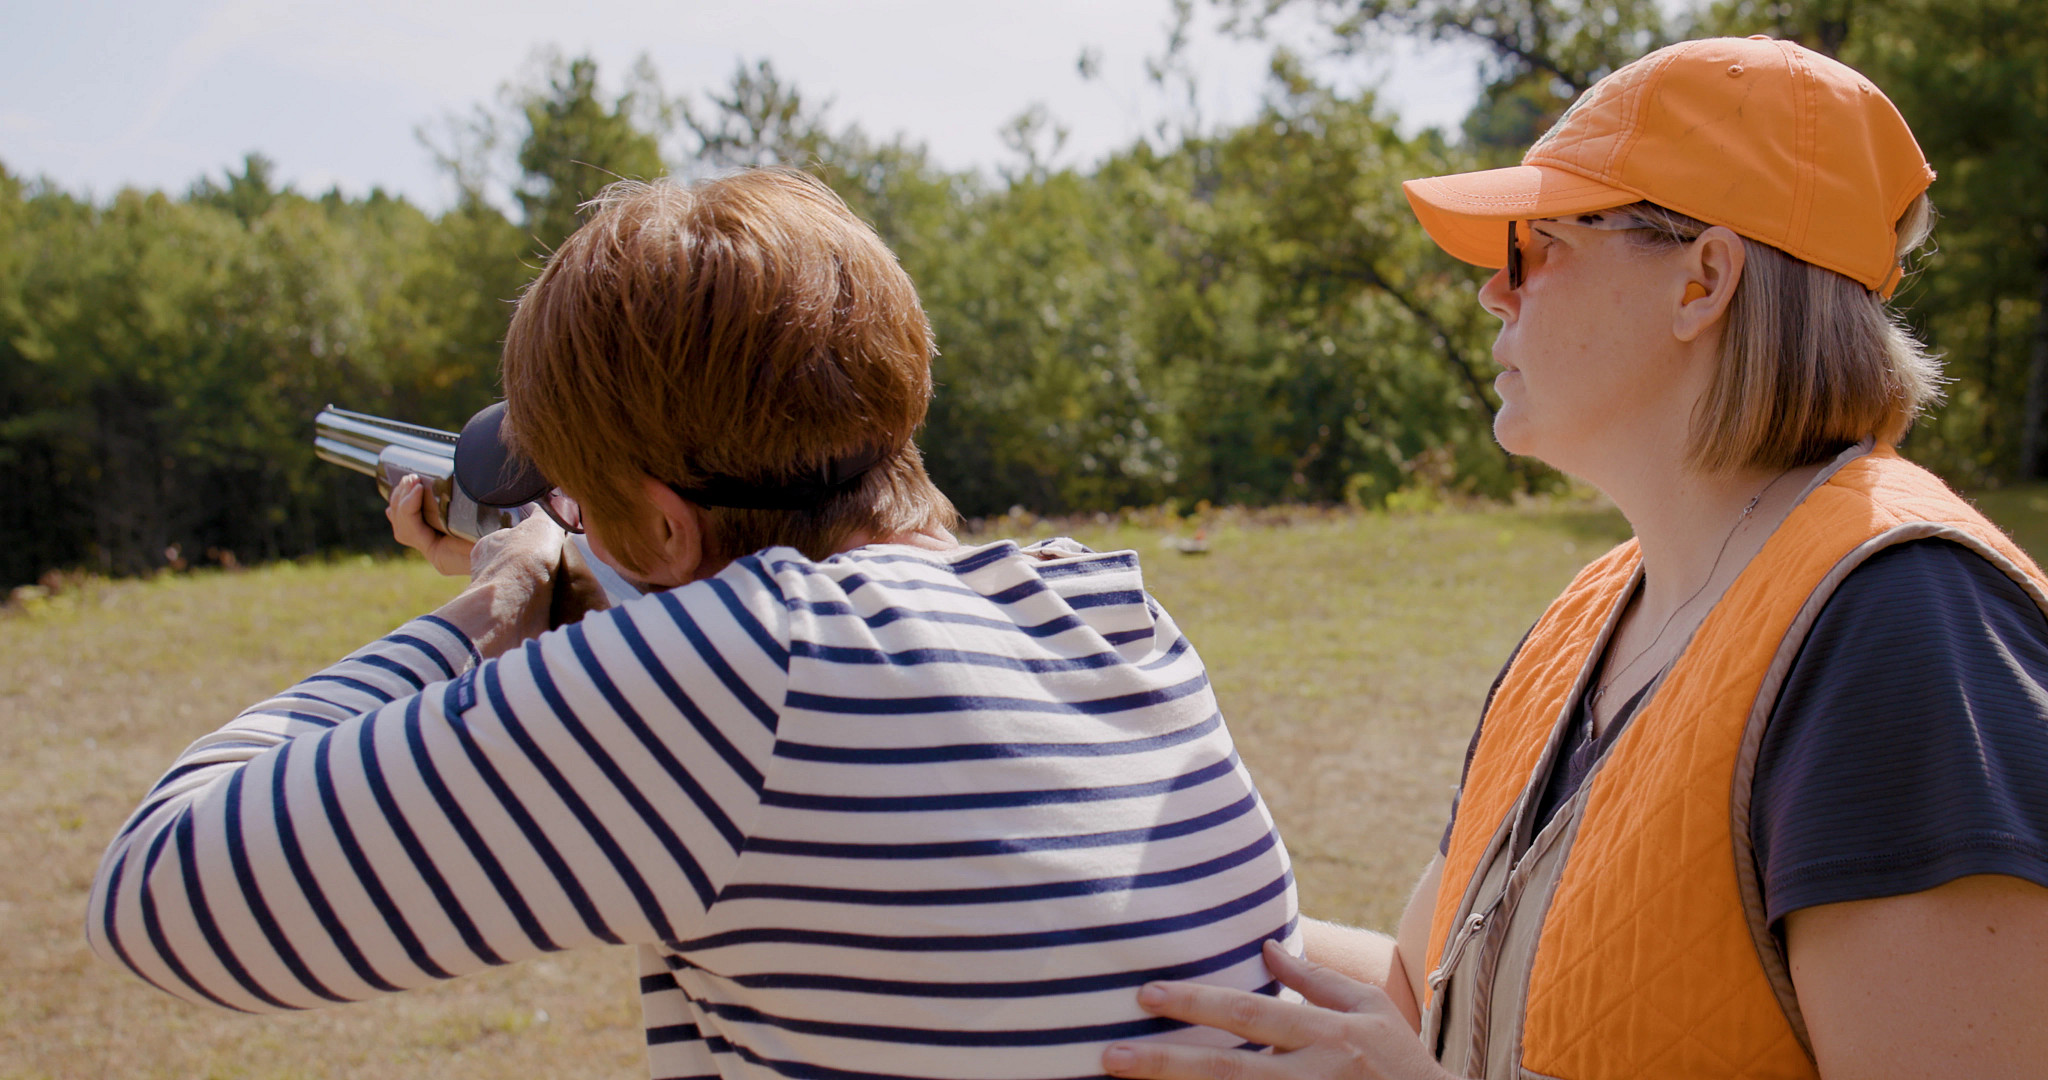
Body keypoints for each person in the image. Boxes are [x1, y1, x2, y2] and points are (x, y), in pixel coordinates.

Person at [87, 168, 1300, 1080]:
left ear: (667, 531)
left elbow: (158, 896)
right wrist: (603, 595)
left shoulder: (748, 663)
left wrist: (498, 597)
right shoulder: (1100, 601)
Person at [1102, 36, 2048, 1080]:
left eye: (1532, 244)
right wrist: (1091, 902)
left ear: (1702, 281)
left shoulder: (1906, 622)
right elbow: (1423, 997)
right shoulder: (1593, 613)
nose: (1490, 294)